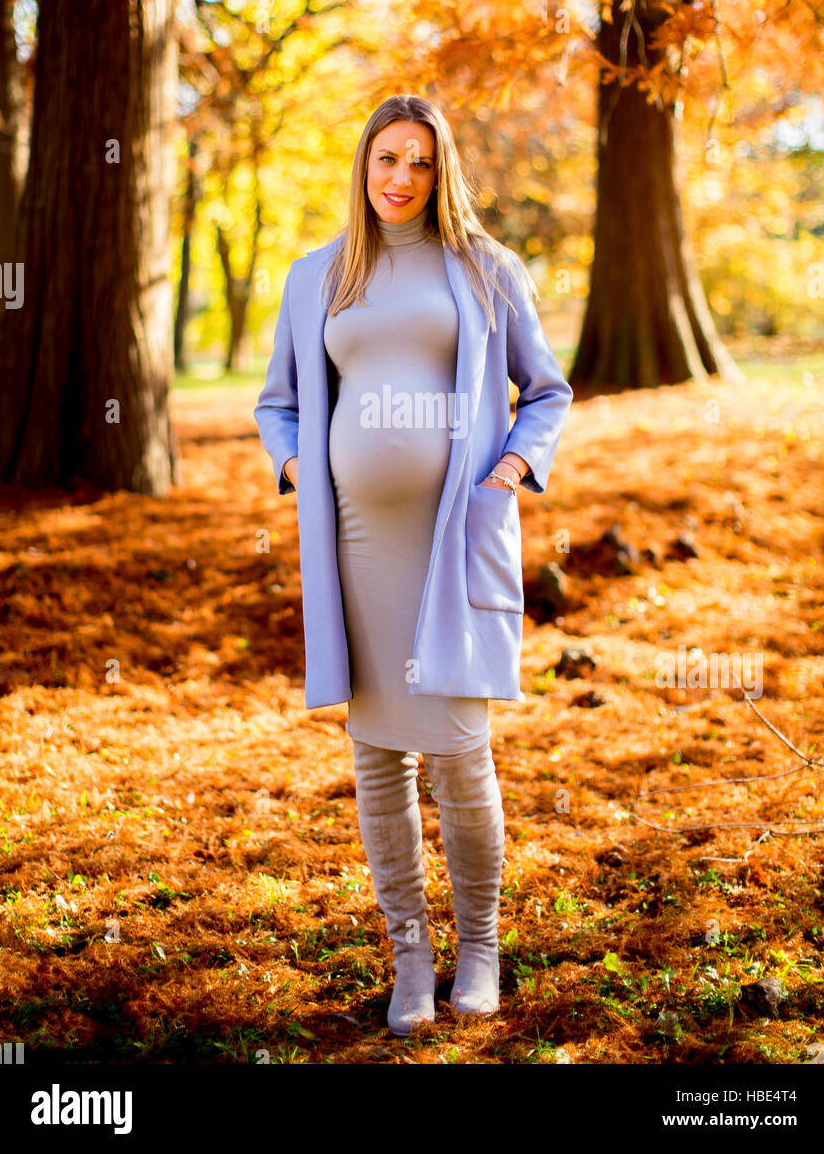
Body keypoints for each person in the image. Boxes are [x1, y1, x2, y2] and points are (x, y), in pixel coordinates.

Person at [256, 93, 572, 1036]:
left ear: (443, 175)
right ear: (363, 163)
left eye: (420, 163)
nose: (399, 177)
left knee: (462, 756)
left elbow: (545, 389)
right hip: (352, 545)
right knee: (378, 756)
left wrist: (512, 467)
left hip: (453, 542)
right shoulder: (316, 278)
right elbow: (280, 404)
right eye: (386, 158)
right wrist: (294, 463)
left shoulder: (485, 268)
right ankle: (410, 962)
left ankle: (479, 950)